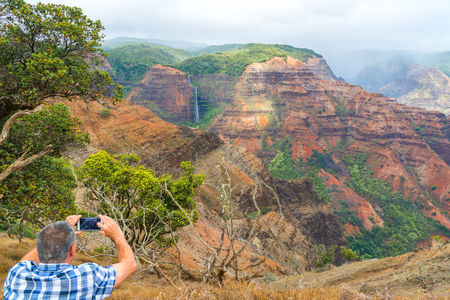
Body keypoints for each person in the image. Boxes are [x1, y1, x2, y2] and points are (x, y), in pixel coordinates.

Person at [3, 214, 137, 299]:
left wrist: (57, 234)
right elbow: (129, 265)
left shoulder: (17, 275)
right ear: (72, 250)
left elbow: (24, 262)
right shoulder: (87, 276)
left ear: (39, 247)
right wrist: (117, 235)